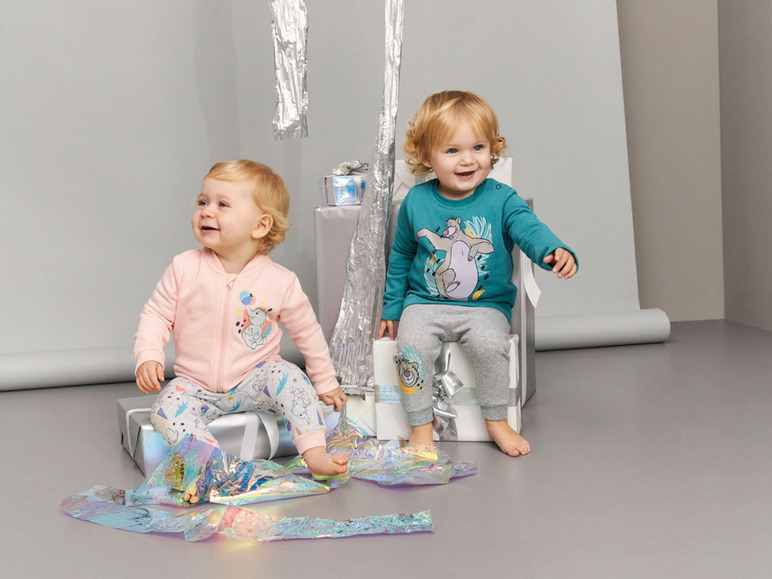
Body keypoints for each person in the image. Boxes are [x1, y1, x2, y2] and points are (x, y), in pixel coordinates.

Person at [378, 90, 578, 456]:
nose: (468, 160)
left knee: (489, 345)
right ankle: (421, 426)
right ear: (426, 156)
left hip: (485, 305)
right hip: (423, 303)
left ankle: (496, 420)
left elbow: (528, 228)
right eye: (452, 150)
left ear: (492, 149)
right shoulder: (416, 202)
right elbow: (402, 254)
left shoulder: (502, 198)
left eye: (478, 147)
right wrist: (392, 307)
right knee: (411, 347)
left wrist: (552, 250)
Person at [135, 159, 348, 500]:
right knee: (166, 407)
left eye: (222, 204)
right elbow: (157, 314)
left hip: (255, 378)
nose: (206, 211)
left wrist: (325, 381)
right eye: (202, 201)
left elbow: (308, 334)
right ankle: (210, 469)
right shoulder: (184, 268)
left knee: (291, 378)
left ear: (260, 225)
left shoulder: (279, 281)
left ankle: (315, 454)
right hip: (195, 384)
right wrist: (148, 355)